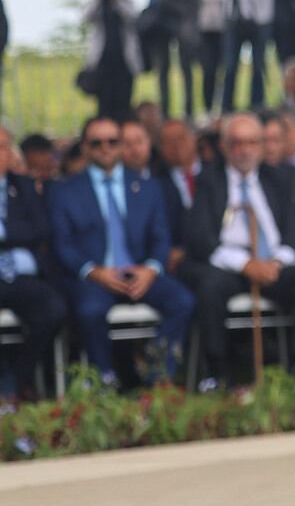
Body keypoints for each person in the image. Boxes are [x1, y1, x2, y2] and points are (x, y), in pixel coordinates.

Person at [183, 112, 295, 376]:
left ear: (262, 146)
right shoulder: (208, 180)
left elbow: (293, 233)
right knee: (208, 289)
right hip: (230, 267)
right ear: (224, 147)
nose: (244, 151)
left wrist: (275, 263)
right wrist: (246, 264)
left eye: (252, 143)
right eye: (237, 143)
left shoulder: (279, 179)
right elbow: (201, 239)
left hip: (273, 266)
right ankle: (218, 374)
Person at [49, 116, 194, 381]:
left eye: (112, 141)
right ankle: (104, 379)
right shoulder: (65, 190)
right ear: (84, 147)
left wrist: (150, 269)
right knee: (89, 310)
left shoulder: (148, 186)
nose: (105, 148)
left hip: (140, 274)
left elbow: (161, 238)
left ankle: (155, 375)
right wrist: (94, 271)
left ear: (120, 145)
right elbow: (62, 243)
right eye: (97, 143)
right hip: (95, 278)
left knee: (183, 301)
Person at [0, 126, 66, 399]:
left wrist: (5, 233)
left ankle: (16, 381)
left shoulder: (24, 186)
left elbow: (40, 229)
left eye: (4, 146)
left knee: (53, 308)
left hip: (20, 276)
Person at [141, 0, 203, 119]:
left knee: (186, 67)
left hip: (181, 22)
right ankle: (165, 111)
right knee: (163, 69)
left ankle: (189, 110)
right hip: (160, 23)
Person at [194, 0, 229, 115]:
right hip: (202, 31)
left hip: (220, 30)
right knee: (206, 70)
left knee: (218, 70)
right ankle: (206, 107)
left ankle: (218, 106)